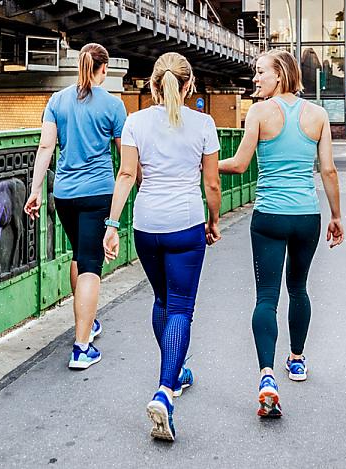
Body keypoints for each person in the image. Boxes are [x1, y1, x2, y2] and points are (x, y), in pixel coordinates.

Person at [103, 52, 222, 441]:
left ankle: (176, 371)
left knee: (162, 302)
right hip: (186, 224)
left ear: (152, 85)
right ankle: (165, 391)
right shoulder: (204, 123)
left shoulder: (135, 122)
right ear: (189, 86)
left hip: (146, 225)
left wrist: (111, 223)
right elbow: (212, 185)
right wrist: (214, 219)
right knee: (182, 308)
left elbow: (126, 174)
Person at [219, 49, 343, 418]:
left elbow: (240, 164)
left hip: (270, 216)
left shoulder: (258, 113)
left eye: (261, 73)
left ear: (281, 75)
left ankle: (267, 377)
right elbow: (329, 171)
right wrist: (336, 215)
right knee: (299, 289)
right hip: (307, 215)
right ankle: (298, 360)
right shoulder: (318, 115)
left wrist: (206, 161)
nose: (255, 79)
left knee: (267, 298)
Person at [25, 43, 127, 370]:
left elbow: (45, 146)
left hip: (64, 194)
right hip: (98, 193)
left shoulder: (57, 101)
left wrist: (35, 189)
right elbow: (125, 158)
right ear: (104, 69)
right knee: (92, 265)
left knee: (79, 256)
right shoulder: (113, 106)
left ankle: (87, 322)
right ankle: (82, 347)